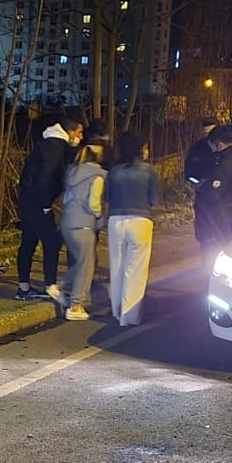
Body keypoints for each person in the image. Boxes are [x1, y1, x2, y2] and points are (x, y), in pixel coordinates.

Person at [15, 115, 83, 300]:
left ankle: (24, 288)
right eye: (79, 132)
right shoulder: (55, 147)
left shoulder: (48, 144)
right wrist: (46, 205)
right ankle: (50, 285)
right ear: (69, 131)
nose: (80, 137)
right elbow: (45, 177)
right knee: (51, 241)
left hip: (28, 199)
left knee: (28, 241)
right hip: (38, 202)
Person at [104, 132, 161, 327]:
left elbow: (107, 198)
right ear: (140, 149)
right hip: (140, 220)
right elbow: (154, 200)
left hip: (115, 220)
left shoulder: (114, 171)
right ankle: (130, 316)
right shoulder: (149, 170)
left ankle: (117, 310)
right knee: (135, 270)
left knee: (117, 266)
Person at [48, 143, 107, 321]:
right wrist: (99, 217)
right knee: (86, 266)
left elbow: (66, 198)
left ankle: (59, 286)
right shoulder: (97, 176)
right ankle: (75, 305)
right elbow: (94, 203)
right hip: (83, 224)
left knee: (82, 262)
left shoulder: (72, 173)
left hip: (67, 222)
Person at [193, 123, 232, 266]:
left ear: (220, 145)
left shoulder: (224, 164)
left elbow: (213, 194)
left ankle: (216, 286)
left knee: (215, 261)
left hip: (222, 220)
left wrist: (202, 187)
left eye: (213, 147)